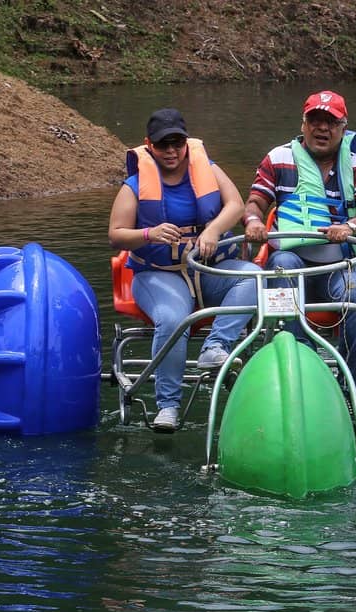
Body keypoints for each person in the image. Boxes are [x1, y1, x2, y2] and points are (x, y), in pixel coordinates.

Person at [108, 108, 259, 433]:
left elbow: (235, 204)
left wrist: (213, 230)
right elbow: (116, 234)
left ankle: (214, 348)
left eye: (177, 143)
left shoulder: (208, 170)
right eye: (164, 145)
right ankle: (168, 406)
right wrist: (148, 233)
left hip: (208, 269)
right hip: (158, 274)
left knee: (252, 278)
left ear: (187, 142)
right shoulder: (133, 186)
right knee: (173, 319)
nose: (172, 151)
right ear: (149, 146)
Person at [243, 90, 356, 429]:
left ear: (343, 126)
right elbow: (254, 202)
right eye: (315, 121)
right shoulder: (278, 158)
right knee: (282, 267)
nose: (323, 129)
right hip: (292, 260)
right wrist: (253, 222)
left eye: (331, 122)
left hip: (339, 264)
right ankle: (304, 374)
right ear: (303, 124)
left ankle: (353, 387)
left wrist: (348, 226)